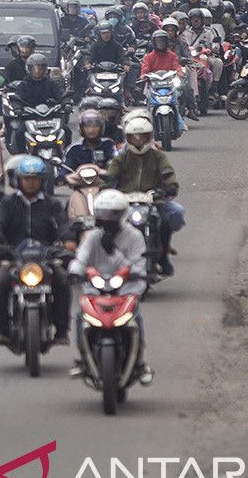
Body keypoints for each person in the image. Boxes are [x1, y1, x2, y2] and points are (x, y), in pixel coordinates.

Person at [0, 158, 73, 345]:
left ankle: (62, 330)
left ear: (42, 180)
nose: (31, 182)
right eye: (27, 179)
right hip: (15, 254)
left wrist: (68, 240)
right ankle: (1, 327)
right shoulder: (8, 203)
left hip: (45, 255)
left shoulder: (52, 204)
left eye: (35, 179)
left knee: (62, 279)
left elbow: (63, 224)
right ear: (19, 180)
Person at [67, 189, 152, 383]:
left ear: (121, 214)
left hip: (125, 290)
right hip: (96, 290)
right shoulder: (93, 236)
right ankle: (83, 358)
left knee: (135, 319)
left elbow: (138, 265)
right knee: (82, 318)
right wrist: (74, 272)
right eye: (103, 214)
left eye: (111, 214)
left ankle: (139, 361)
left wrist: (113, 252)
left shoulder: (134, 236)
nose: (107, 219)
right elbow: (81, 258)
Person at [106, 115, 184, 275]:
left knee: (176, 212)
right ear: (128, 138)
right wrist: (105, 187)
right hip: (125, 200)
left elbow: (168, 173)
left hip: (154, 200)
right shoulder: (121, 157)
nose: (139, 141)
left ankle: (163, 254)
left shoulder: (158, 156)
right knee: (105, 221)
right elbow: (110, 175)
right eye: (134, 137)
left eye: (143, 137)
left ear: (149, 136)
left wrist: (170, 187)